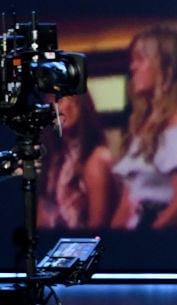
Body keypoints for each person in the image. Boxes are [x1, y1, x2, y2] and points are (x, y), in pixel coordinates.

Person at [111, 24, 177, 230]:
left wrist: (147, 242)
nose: (132, 67)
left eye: (140, 59)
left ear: (167, 67)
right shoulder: (146, 122)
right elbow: (129, 199)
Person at [38, 91, 119, 229]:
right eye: (60, 100)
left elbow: (98, 227)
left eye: (74, 102)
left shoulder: (97, 159)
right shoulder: (52, 160)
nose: (67, 107)